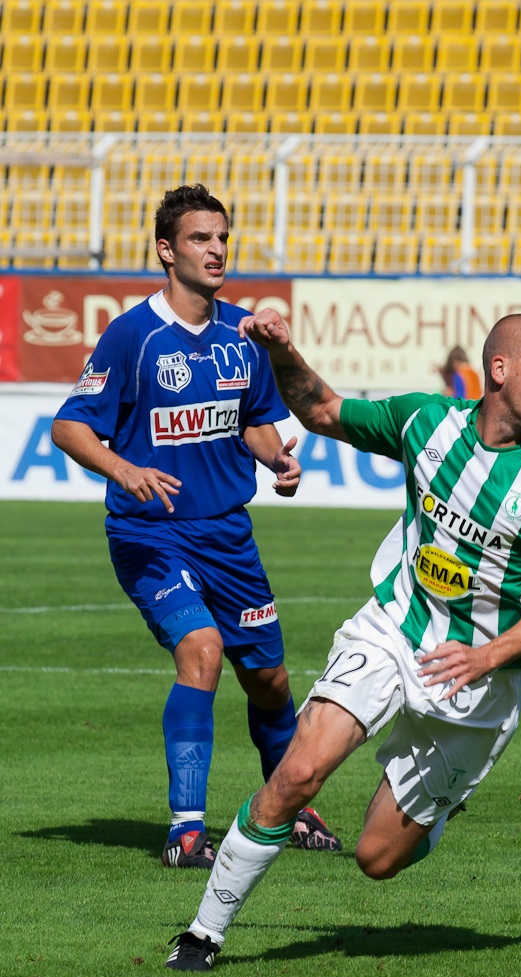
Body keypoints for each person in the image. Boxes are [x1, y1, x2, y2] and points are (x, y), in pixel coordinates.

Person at [164, 310, 521, 971]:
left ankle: (434, 811)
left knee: (376, 859)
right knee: (299, 773)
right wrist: (283, 350)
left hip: (479, 682)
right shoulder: (426, 423)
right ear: (500, 370)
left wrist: (484, 654)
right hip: (395, 629)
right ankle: (202, 934)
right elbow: (324, 411)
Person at [51, 184, 342, 868]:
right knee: (202, 651)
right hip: (150, 534)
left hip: (228, 536)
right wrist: (124, 471)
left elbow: (254, 422)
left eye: (221, 238)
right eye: (199, 239)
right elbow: (69, 425)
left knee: (269, 681)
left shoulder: (241, 334)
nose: (216, 250)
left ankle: (289, 810)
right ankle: (186, 830)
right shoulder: (134, 335)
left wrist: (280, 462)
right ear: (165, 249)